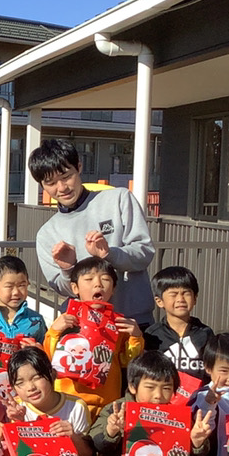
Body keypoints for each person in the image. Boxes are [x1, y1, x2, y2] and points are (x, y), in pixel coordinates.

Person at [29, 138, 156, 325]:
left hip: (133, 322)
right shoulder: (47, 233)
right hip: (86, 328)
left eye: (66, 177)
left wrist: (110, 254)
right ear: (42, 185)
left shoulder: (118, 199)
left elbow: (144, 253)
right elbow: (64, 289)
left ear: (79, 167)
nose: (61, 188)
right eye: (51, 183)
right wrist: (67, 269)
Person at [43, 257, 144, 422]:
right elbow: (50, 355)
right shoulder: (67, 320)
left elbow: (130, 362)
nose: (98, 284)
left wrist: (136, 337)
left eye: (105, 279)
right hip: (69, 401)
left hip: (107, 402)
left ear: (114, 288)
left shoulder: (119, 324)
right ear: (74, 287)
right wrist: (54, 331)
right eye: (89, 279)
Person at [143, 266, 213, 383]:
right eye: (173, 294)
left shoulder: (205, 333)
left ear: (195, 298)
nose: (180, 299)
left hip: (199, 397)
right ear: (159, 301)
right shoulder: (152, 335)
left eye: (186, 293)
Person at [0, 255, 47, 350]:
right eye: (9, 286)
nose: (16, 292)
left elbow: (47, 353)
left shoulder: (37, 320)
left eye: (21, 285)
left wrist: (38, 349)